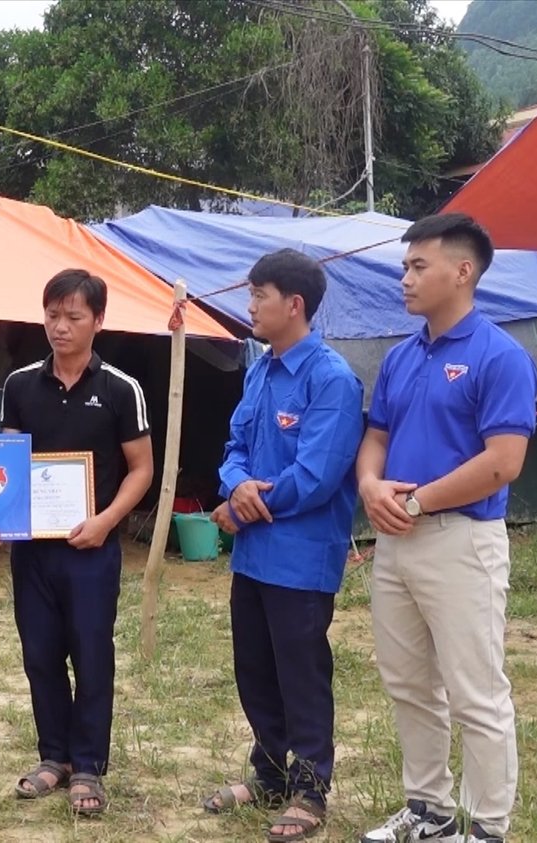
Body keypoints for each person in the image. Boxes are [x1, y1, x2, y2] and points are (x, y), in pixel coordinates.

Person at [356, 213, 536, 843]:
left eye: (417, 266)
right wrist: (371, 486)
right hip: (396, 541)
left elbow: (502, 462)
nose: (404, 279)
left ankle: (487, 827)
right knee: (408, 682)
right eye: (405, 266)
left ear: (463, 272)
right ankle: (428, 812)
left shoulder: (500, 356)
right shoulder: (402, 357)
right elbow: (376, 436)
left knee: (476, 692)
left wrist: (418, 502)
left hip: (462, 540)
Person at [0, 269, 154, 817]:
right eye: (52, 314)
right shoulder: (21, 384)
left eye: (73, 316)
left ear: (99, 320)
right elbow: (2, 466)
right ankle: (54, 757)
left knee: (92, 653)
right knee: (40, 653)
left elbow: (141, 469)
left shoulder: (122, 388)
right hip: (34, 550)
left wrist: (106, 521)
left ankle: (90, 764)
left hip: (93, 548)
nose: (60, 326)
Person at [201, 250, 363, 842]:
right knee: (255, 667)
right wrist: (235, 483)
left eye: (258, 296)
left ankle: (310, 789)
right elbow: (235, 444)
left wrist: (245, 504)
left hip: (301, 554)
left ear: (293, 305)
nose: (249, 306)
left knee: (301, 670)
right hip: (254, 556)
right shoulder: (259, 370)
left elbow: (318, 474)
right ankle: (268, 773)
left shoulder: (333, 380)